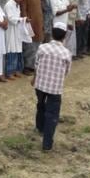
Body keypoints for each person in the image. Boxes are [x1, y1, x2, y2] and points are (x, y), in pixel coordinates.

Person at [31, 22, 71, 151]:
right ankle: (47, 144)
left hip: (40, 84)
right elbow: (66, 72)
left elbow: (36, 65)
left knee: (41, 105)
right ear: (64, 36)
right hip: (55, 88)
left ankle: (40, 127)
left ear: (52, 34)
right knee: (52, 114)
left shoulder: (42, 48)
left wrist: (34, 78)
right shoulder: (66, 53)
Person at [4, 0, 26, 79]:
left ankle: (16, 70)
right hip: (10, 30)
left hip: (17, 30)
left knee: (17, 50)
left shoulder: (17, 4)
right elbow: (11, 19)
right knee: (11, 50)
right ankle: (9, 72)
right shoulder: (9, 5)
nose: (21, 0)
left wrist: (22, 20)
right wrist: (22, 19)